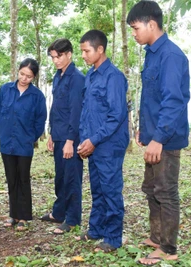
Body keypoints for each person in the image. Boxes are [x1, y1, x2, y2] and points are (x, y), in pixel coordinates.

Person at [127, 1, 190, 265]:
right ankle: (156, 236)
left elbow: (173, 101)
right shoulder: (152, 53)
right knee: (150, 187)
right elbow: (152, 98)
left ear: (152, 24)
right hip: (154, 134)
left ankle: (168, 248)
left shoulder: (171, 56)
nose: (134, 33)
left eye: (136, 28)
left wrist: (159, 138)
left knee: (165, 191)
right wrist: (145, 127)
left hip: (166, 138)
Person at [76, 30, 129, 253]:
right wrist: (83, 139)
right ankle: (96, 229)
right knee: (97, 189)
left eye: (86, 51)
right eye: (82, 52)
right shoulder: (90, 75)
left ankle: (113, 237)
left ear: (100, 49)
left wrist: (94, 140)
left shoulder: (113, 77)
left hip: (109, 144)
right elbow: (87, 111)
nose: (84, 56)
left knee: (110, 190)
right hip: (93, 143)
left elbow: (116, 115)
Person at [0, 58, 47, 231]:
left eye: (29, 76)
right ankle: (13, 214)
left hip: (24, 145)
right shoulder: (5, 90)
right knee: (11, 179)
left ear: (34, 78)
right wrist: (2, 134)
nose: (24, 78)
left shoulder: (37, 96)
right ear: (18, 71)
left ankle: (24, 216)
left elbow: (40, 120)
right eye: (22, 74)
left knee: (23, 178)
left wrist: (31, 137)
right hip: (7, 143)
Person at [39, 38, 85, 235]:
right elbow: (55, 107)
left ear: (69, 54)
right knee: (60, 177)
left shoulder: (77, 78)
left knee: (71, 178)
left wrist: (70, 140)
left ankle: (73, 219)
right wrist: (51, 133)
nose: (55, 60)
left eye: (59, 56)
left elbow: (76, 111)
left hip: (70, 138)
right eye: (52, 57)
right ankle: (59, 213)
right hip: (57, 134)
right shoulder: (58, 76)